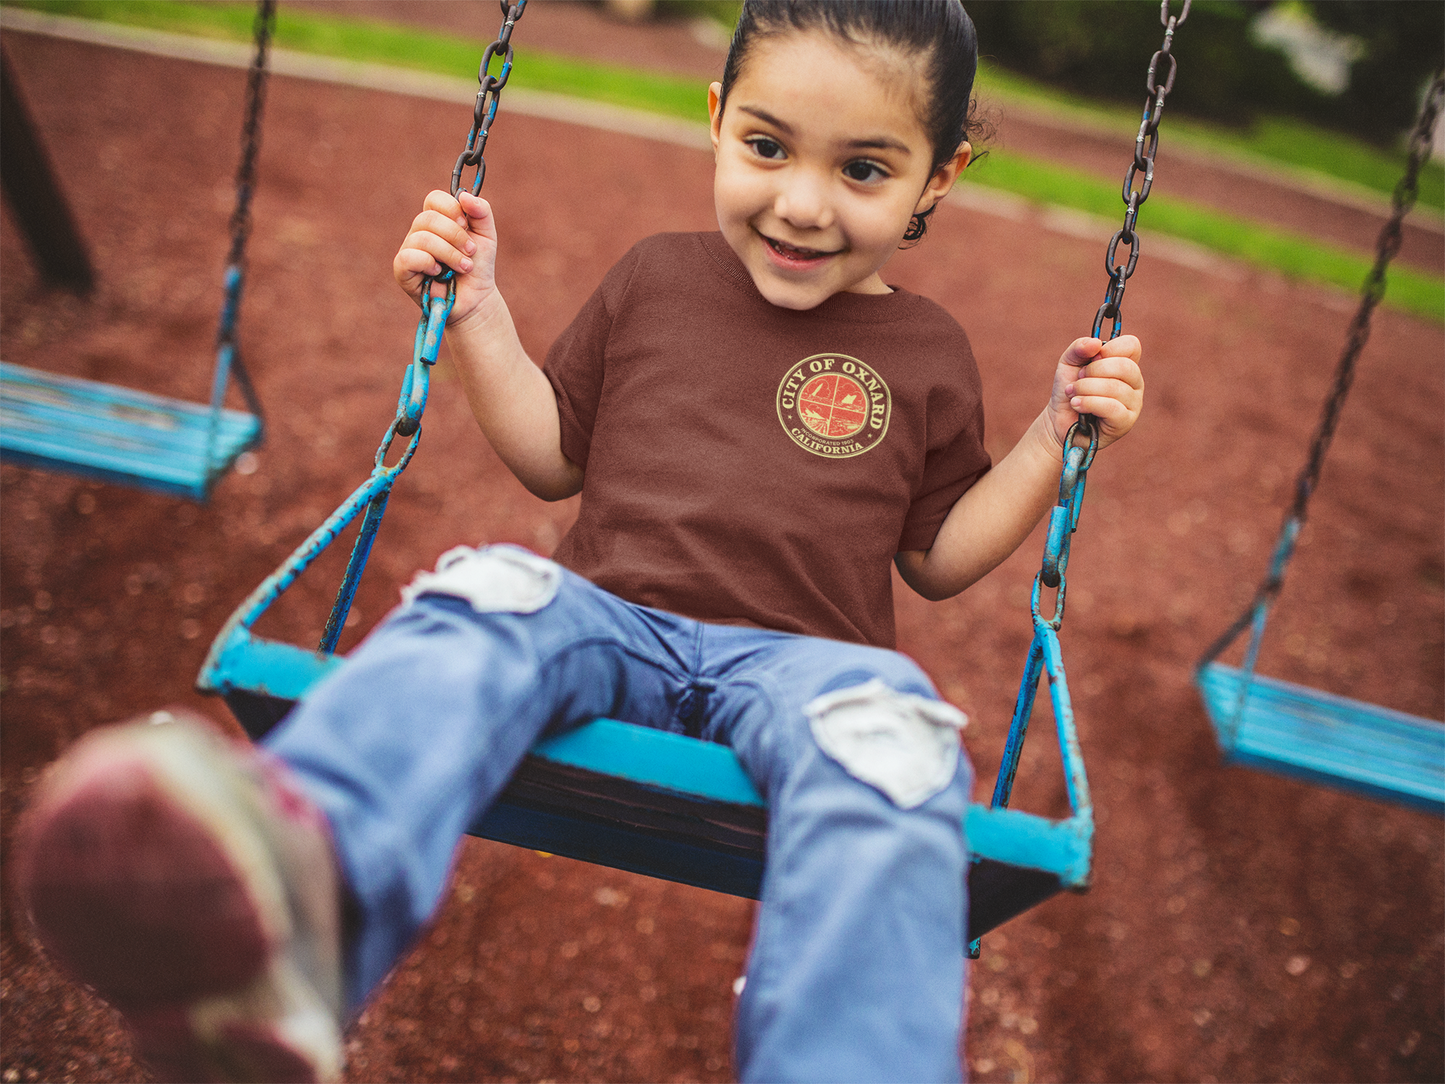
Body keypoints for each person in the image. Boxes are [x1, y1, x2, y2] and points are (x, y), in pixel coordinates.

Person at [13, 1, 1144, 1081]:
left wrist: (1055, 436)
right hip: (603, 624)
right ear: (716, 116)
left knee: (893, 744)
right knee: (489, 593)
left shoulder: (927, 347)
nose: (801, 204)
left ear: (934, 176)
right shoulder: (655, 276)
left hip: (809, 669)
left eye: (861, 169)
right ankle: (298, 913)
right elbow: (555, 453)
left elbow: (937, 558)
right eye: (765, 146)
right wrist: (477, 312)